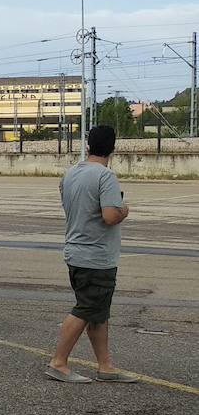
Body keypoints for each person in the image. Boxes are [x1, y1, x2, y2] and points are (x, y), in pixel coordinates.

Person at [47, 125, 137, 384]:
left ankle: (105, 366)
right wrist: (124, 211)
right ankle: (58, 362)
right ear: (113, 148)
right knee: (86, 309)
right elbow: (110, 216)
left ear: (88, 145)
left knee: (98, 311)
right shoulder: (105, 176)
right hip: (96, 257)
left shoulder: (71, 174)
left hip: (76, 251)